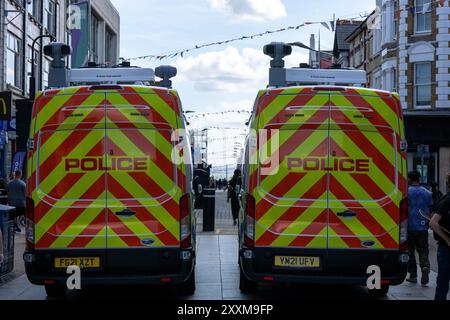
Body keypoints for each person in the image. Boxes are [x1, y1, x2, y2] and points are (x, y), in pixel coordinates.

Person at [406, 171, 433, 286]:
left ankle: (413, 275)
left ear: (409, 179)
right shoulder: (427, 193)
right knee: (423, 249)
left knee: (410, 251)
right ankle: (425, 266)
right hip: (422, 226)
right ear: (419, 178)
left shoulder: (406, 192)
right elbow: (431, 210)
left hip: (409, 226)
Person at [430, 173, 450, 301]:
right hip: (446, 249)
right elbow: (433, 222)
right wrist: (448, 240)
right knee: (443, 284)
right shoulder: (447, 200)